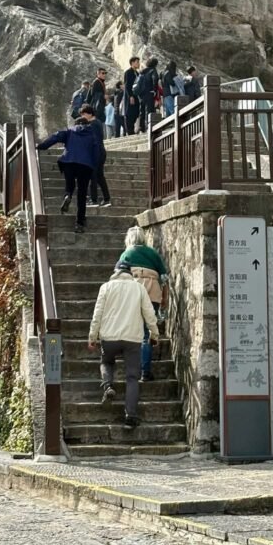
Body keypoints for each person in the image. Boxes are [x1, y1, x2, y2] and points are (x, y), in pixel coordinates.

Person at [88, 260, 159, 429]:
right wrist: (154, 335)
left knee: (106, 362)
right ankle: (130, 416)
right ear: (130, 273)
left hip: (109, 338)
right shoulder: (139, 288)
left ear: (115, 272)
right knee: (132, 377)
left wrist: (92, 337)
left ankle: (108, 386)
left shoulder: (106, 287)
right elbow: (149, 314)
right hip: (133, 339)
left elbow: (97, 314)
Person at [118, 227, 169, 382]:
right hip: (153, 293)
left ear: (129, 239)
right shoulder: (153, 253)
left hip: (133, 292)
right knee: (146, 334)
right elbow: (164, 277)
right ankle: (145, 372)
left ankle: (133, 369)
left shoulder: (126, 254)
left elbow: (118, 277)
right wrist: (165, 298)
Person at [37, 113, 102, 232]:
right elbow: (96, 152)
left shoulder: (70, 131)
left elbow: (55, 137)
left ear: (76, 124)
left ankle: (68, 195)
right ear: (87, 124)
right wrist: (94, 168)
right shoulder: (92, 135)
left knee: (70, 183)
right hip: (85, 165)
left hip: (69, 162)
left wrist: (42, 146)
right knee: (82, 193)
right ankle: (79, 223)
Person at [80, 104, 111, 208]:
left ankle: (93, 199)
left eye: (84, 114)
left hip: (96, 152)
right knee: (99, 176)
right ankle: (106, 198)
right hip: (100, 152)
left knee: (92, 175)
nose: (83, 117)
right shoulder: (97, 123)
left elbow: (94, 141)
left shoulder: (93, 124)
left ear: (89, 114)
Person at [136, 57, 160, 132]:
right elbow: (155, 79)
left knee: (142, 110)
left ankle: (141, 127)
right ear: (155, 64)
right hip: (149, 92)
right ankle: (150, 126)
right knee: (150, 110)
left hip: (141, 94)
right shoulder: (153, 70)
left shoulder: (142, 71)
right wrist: (154, 90)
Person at [124, 56, 141, 135]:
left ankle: (133, 130)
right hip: (130, 96)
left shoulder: (137, 73)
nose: (138, 64)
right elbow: (127, 85)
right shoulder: (128, 72)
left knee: (136, 112)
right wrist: (130, 96)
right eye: (137, 62)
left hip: (136, 96)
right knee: (130, 113)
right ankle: (130, 131)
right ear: (132, 63)